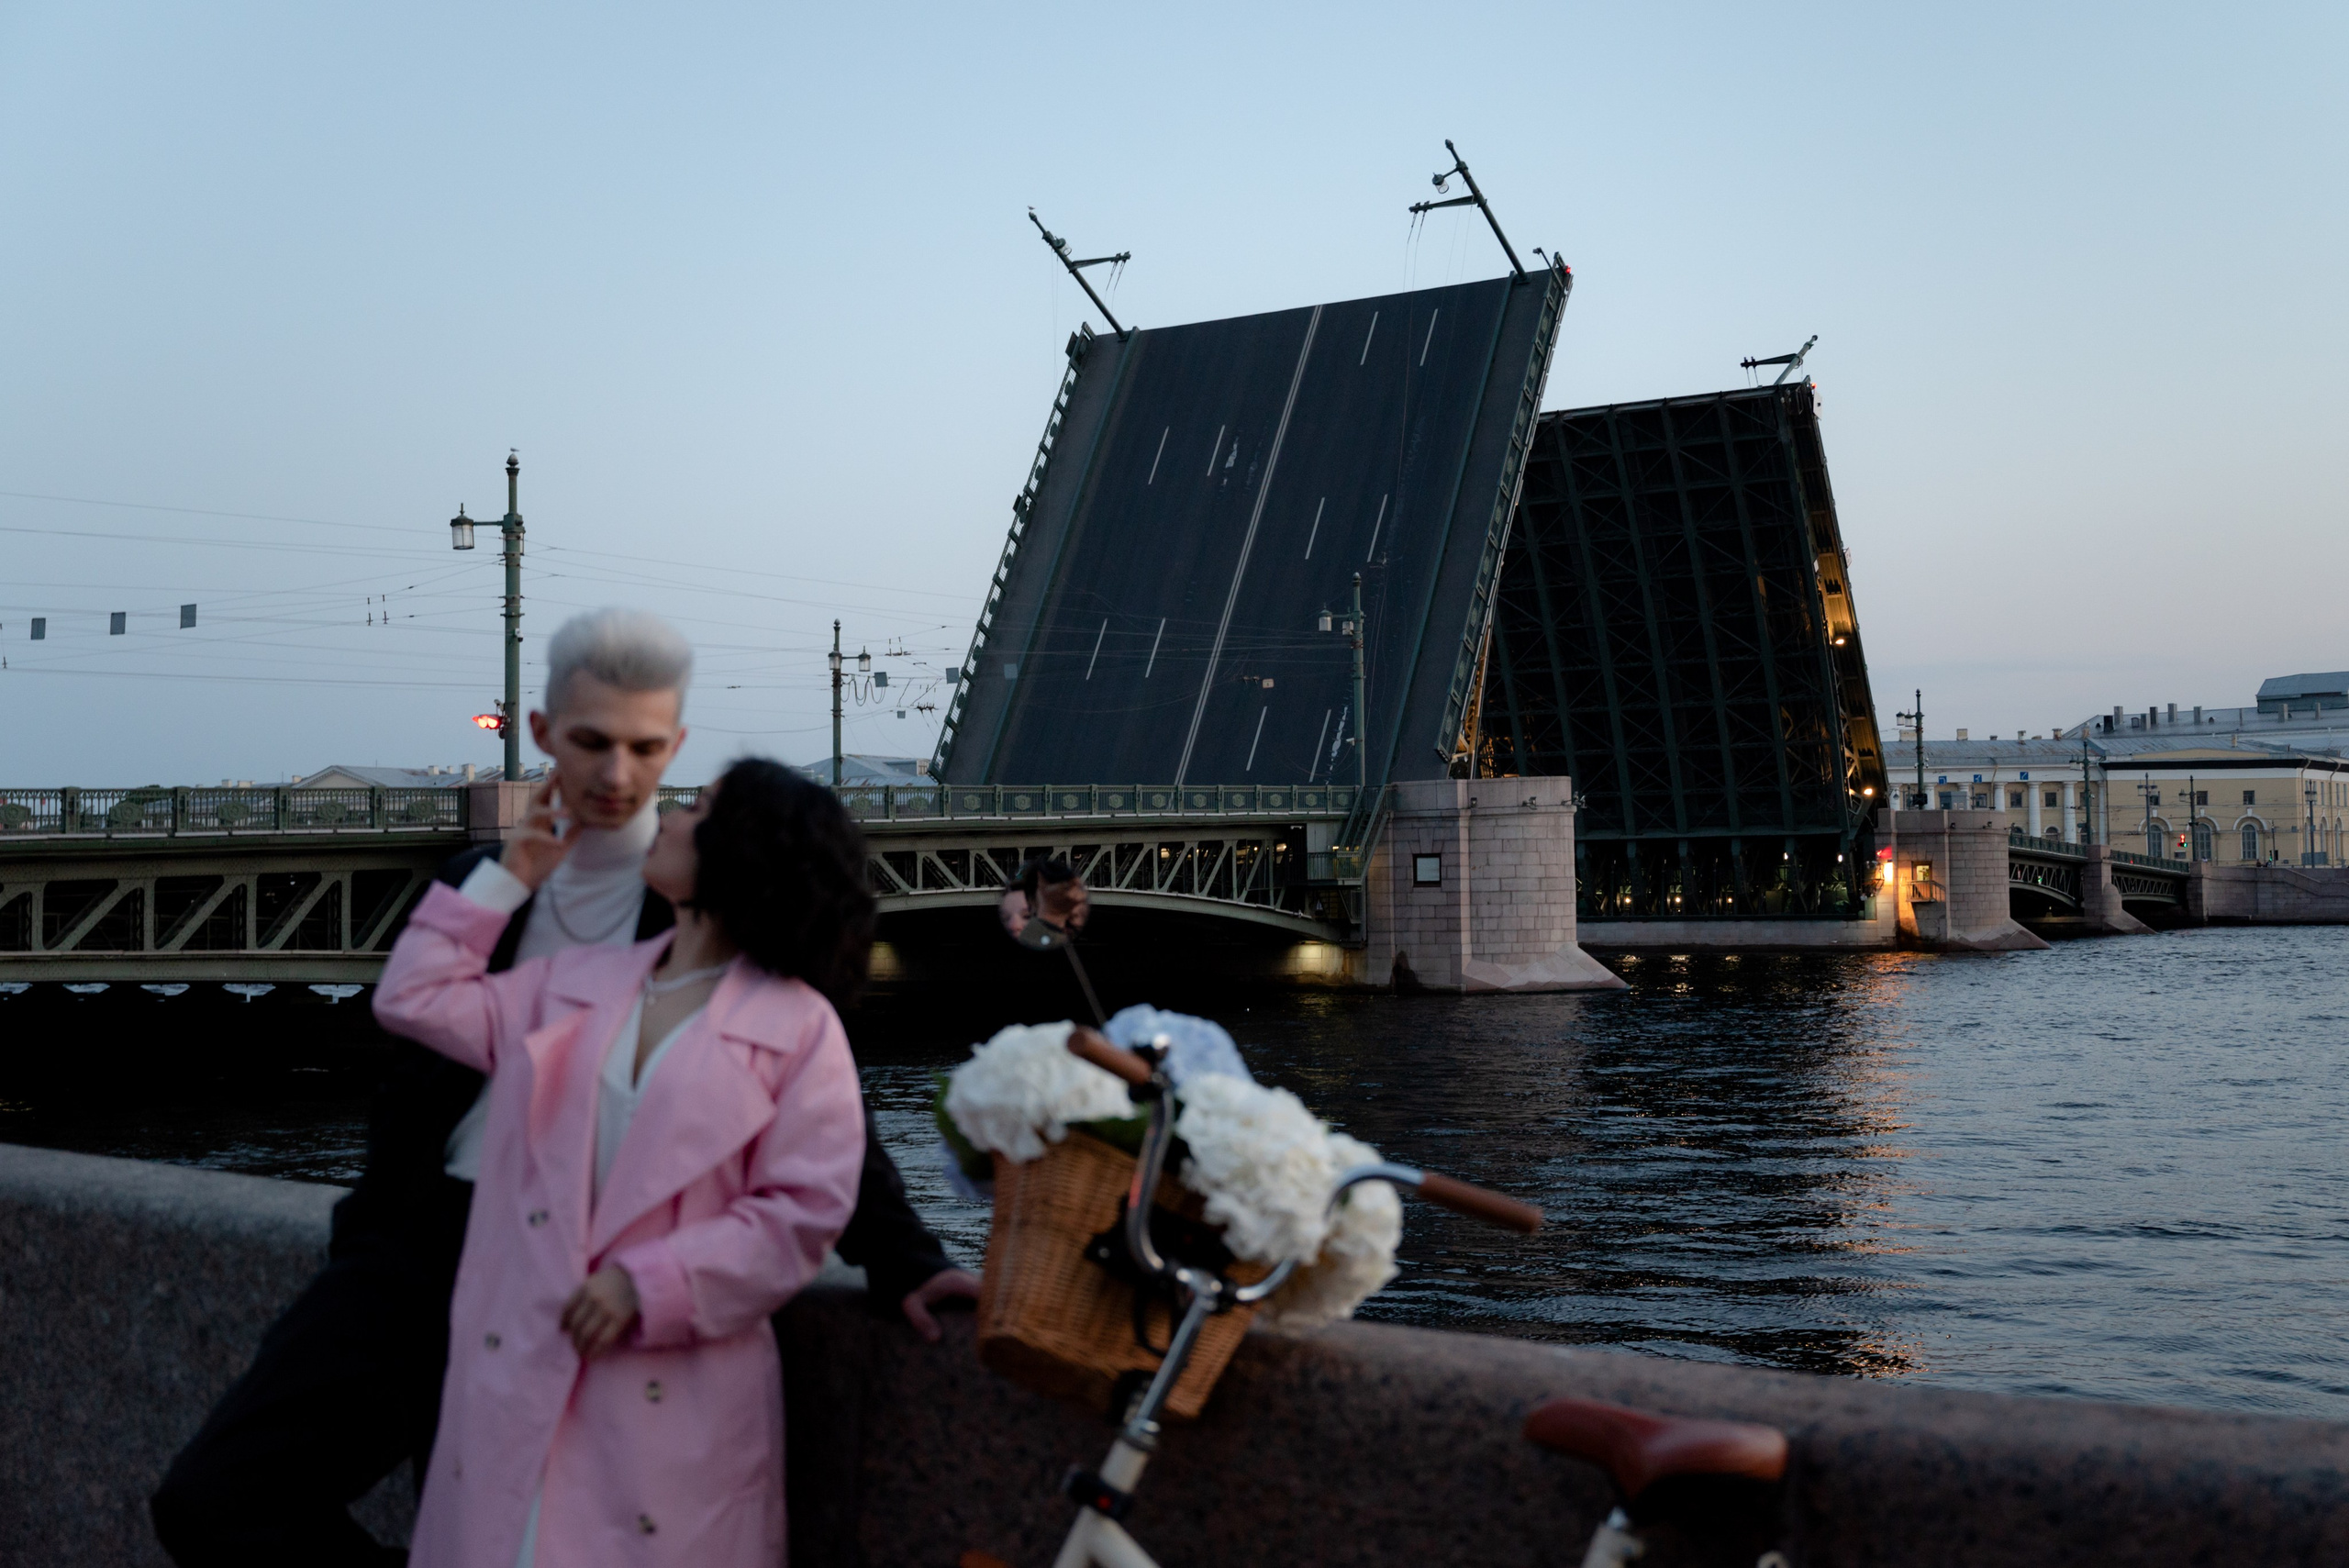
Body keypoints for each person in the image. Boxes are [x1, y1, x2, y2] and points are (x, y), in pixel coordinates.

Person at [153, 608, 974, 1566]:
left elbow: (805, 1101)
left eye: (641, 746)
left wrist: (907, 1255)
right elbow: (416, 1012)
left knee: (508, 1525)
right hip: (422, 1245)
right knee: (216, 1499)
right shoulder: (478, 875)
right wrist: (505, 877)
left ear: (673, 746)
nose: (615, 774)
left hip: (591, 1264)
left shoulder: (700, 912)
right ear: (541, 735)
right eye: (589, 741)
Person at [377, 758, 864, 1565]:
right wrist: (513, 874)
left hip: (668, 1393)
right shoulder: (576, 981)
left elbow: (803, 1214)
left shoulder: (801, 1028)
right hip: (526, 1376)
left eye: (698, 808)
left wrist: (653, 1281)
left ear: (739, 847)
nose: (667, 815)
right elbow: (414, 997)